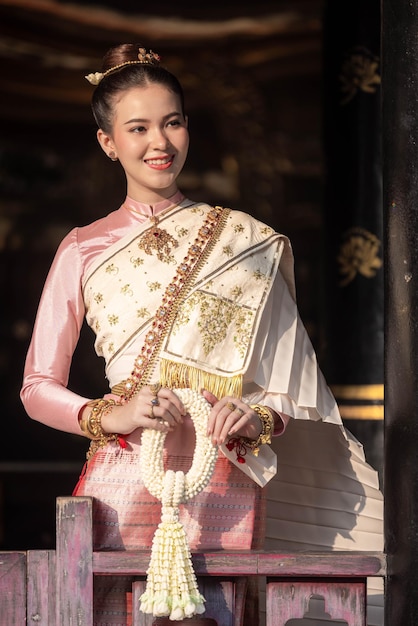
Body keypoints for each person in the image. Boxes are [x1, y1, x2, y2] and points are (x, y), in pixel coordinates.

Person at [20, 43, 384, 626]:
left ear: (188, 128)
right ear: (107, 143)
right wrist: (107, 415)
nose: (159, 143)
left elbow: (294, 390)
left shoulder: (245, 242)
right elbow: (36, 386)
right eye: (137, 128)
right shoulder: (82, 247)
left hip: (224, 478)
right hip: (125, 473)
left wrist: (257, 417)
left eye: (172, 122)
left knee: (219, 613)